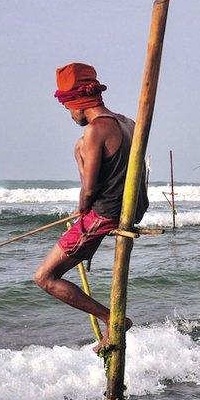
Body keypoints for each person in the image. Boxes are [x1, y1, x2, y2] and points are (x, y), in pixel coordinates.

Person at [34, 63, 148, 347]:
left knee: (45, 277)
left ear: (77, 103)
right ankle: (112, 319)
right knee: (78, 146)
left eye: (68, 109)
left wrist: (82, 208)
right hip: (132, 207)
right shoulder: (126, 122)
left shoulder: (96, 130)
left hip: (106, 213)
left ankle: (113, 319)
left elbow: (90, 187)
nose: (71, 115)